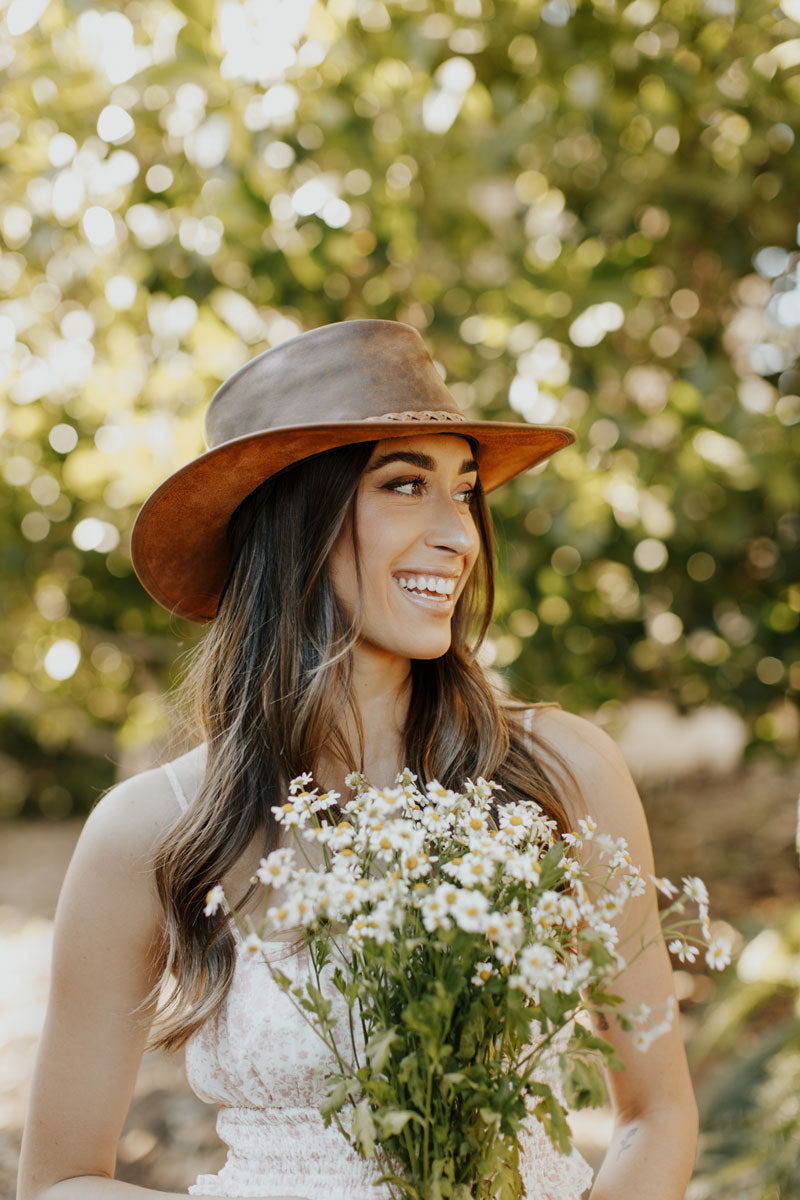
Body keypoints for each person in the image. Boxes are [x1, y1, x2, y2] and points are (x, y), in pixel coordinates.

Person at [18, 319, 698, 1200]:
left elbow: (658, 1114)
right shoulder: (151, 829)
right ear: (295, 520)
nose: (459, 535)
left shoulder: (559, 771)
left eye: (463, 490)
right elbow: (60, 1182)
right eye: (406, 484)